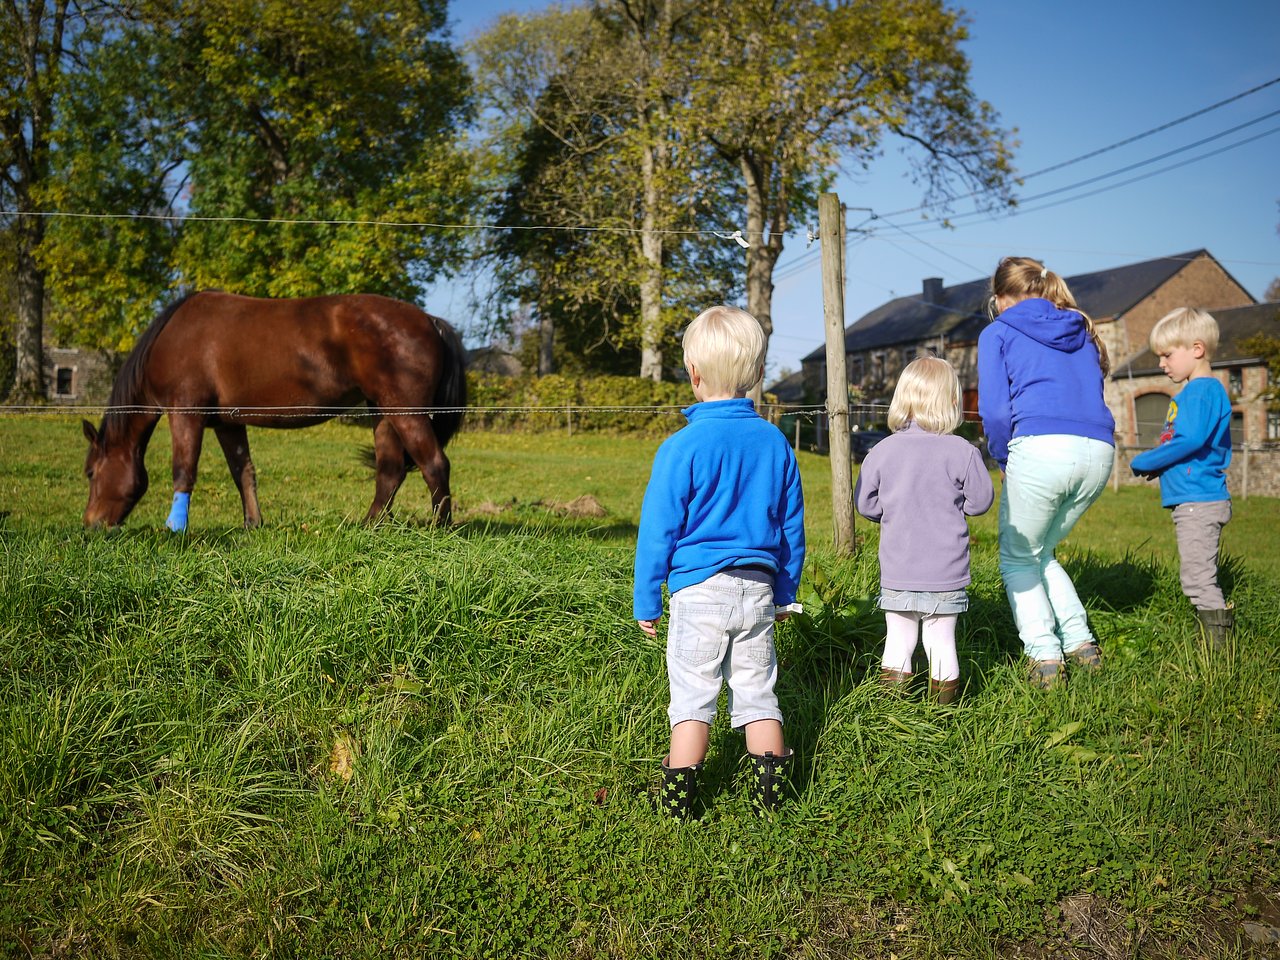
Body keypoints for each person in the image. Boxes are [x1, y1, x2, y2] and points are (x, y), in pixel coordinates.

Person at [633, 305, 806, 820]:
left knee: (693, 695)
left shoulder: (680, 447)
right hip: (757, 586)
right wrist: (786, 592)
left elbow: (657, 530)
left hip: (698, 591)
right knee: (757, 693)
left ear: (693, 374)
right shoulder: (775, 442)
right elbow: (791, 526)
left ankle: (678, 802)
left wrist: (648, 598)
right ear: (755, 375)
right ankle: (771, 797)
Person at [977, 256, 1116, 689]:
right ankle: (1081, 643)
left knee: (1018, 556)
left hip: (1041, 448)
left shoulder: (997, 331)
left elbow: (996, 411)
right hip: (1099, 449)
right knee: (1042, 552)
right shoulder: (1082, 329)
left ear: (1000, 298)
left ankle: (1044, 658)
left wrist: (1003, 458)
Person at [855, 356, 994, 704]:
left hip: (899, 569)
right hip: (946, 573)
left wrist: (890, 512)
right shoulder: (963, 451)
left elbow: (865, 504)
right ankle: (942, 716)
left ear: (903, 399)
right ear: (952, 401)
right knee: (941, 642)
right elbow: (980, 502)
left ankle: (891, 715)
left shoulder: (881, 451)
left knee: (898, 640)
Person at [1129, 308, 1234, 646]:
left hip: (1198, 500)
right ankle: (1214, 645)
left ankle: (1219, 655)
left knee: (1198, 579)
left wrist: (1147, 459)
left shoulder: (1202, 391)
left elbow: (1190, 440)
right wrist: (1162, 466)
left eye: (1167, 355)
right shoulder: (1192, 392)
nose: (1162, 363)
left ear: (1197, 349)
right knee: (1196, 576)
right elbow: (1187, 444)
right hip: (1192, 499)